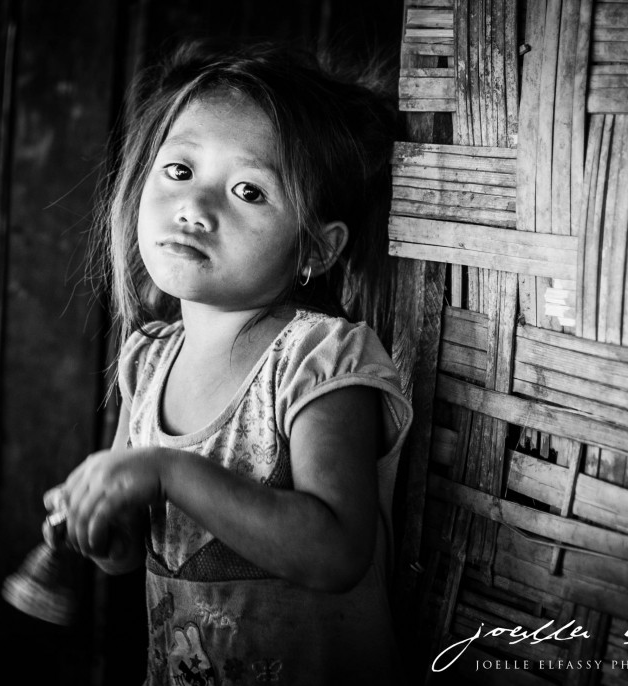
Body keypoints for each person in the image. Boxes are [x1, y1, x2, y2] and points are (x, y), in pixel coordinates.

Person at [51, 40, 412, 685]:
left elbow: (335, 552)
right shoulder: (148, 364)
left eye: (248, 189)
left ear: (316, 249)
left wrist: (166, 470)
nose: (195, 206)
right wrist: (101, 524)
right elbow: (132, 554)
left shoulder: (318, 360)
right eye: (180, 172)